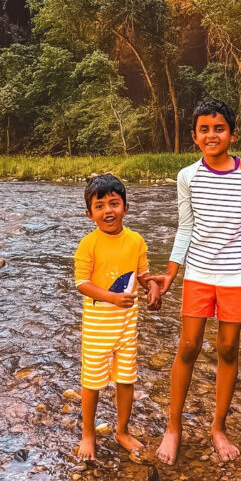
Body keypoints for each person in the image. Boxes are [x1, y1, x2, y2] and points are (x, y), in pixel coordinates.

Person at [151, 99, 241, 464]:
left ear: (232, 135)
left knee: (229, 348)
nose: (211, 135)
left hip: (235, 276)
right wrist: (171, 272)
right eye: (204, 129)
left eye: (219, 129)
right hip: (198, 274)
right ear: (194, 136)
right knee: (189, 346)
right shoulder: (187, 176)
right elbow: (185, 227)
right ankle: (173, 427)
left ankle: (218, 427)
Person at [74, 173, 162, 460]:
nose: (107, 211)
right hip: (97, 327)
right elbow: (82, 283)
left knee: (126, 379)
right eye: (99, 206)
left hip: (127, 325)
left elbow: (143, 274)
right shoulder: (89, 244)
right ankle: (88, 434)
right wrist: (111, 297)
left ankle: (122, 431)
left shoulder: (135, 241)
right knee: (92, 381)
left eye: (114, 203)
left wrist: (152, 286)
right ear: (89, 214)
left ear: (126, 207)